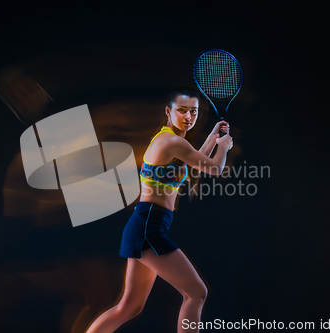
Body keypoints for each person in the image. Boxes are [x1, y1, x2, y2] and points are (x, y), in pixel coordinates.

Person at [85, 86, 234, 333]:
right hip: (148, 228)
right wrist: (224, 147)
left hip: (144, 225)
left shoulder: (170, 140)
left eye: (194, 112)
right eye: (182, 110)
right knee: (196, 293)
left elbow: (195, 161)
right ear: (168, 111)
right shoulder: (172, 142)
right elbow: (214, 168)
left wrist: (212, 138)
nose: (189, 117)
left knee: (129, 308)